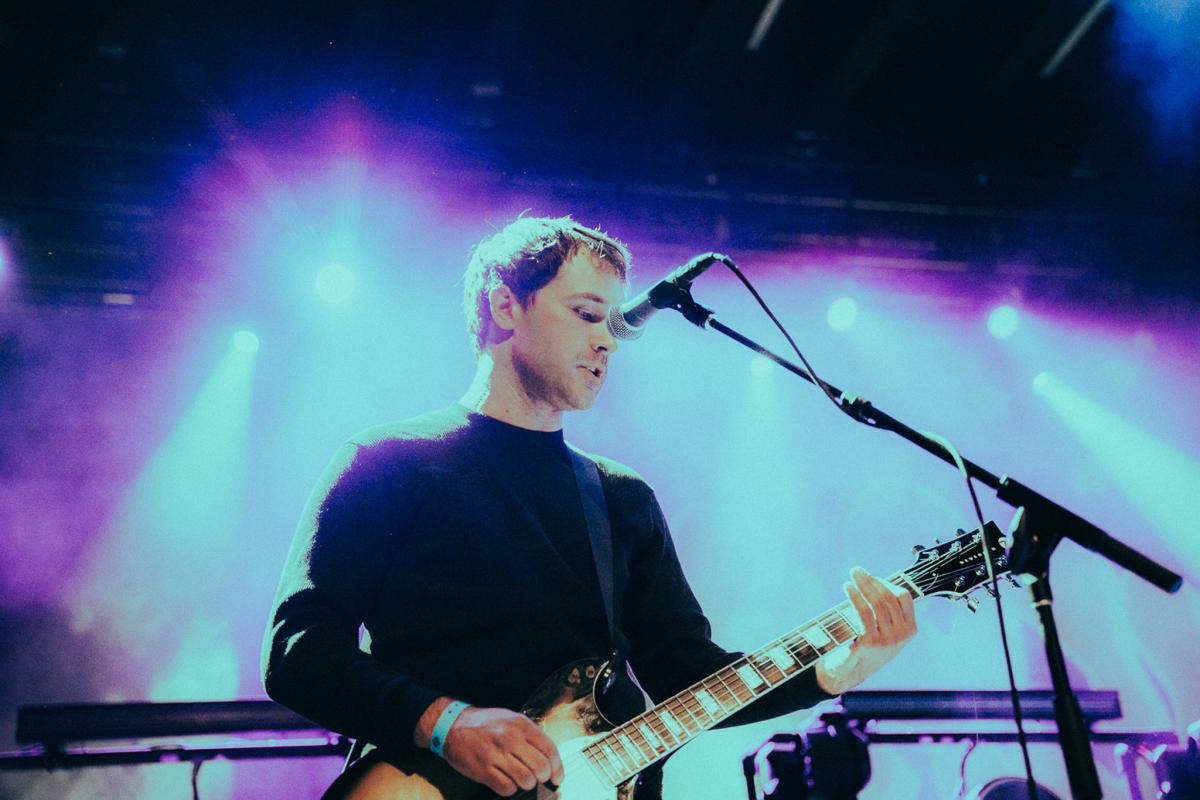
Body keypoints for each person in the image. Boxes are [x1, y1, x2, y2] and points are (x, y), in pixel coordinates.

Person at [261, 216, 917, 799]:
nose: (608, 341)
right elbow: (298, 651)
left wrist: (829, 672)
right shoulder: (389, 462)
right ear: (505, 305)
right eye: (585, 313)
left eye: (612, 321)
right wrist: (445, 724)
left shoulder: (621, 498)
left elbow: (684, 673)